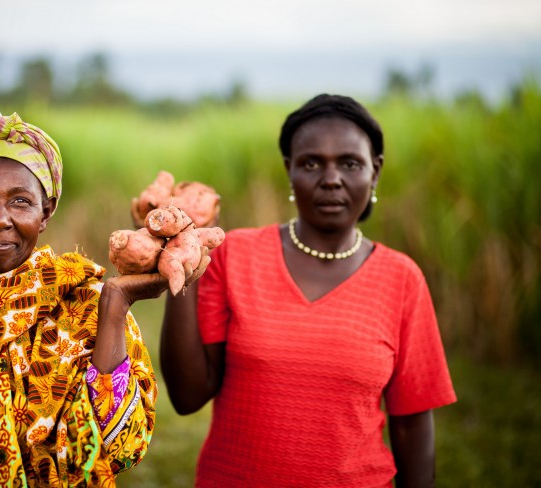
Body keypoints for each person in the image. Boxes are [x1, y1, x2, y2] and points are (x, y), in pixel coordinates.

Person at [0, 111, 198, 487]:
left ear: (45, 212)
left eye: (20, 202)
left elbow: (118, 446)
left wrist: (115, 305)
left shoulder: (85, 302)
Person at [160, 94, 457, 487]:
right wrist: (179, 258)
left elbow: (412, 427)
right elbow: (187, 397)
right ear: (290, 170)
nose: (330, 178)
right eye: (311, 163)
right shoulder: (235, 254)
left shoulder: (401, 278)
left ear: (375, 172)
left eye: (350, 163)